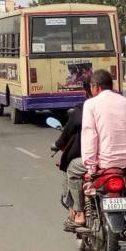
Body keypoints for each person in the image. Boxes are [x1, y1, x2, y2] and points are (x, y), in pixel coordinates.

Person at [68, 70, 126, 227]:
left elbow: (90, 135)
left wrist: (91, 167)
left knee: (73, 169)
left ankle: (80, 212)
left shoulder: (91, 104)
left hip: (104, 162)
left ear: (95, 87)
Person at [54, 80, 90, 230]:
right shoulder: (124, 106)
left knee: (71, 170)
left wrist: (57, 145)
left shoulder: (85, 109)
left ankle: (78, 213)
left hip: (94, 160)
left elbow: (67, 133)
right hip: (125, 162)